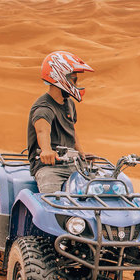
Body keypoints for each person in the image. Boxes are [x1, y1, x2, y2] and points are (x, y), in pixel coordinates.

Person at [27, 51, 94, 193]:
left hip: (73, 164)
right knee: (52, 199)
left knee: (102, 189)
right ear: (59, 77)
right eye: (74, 80)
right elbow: (42, 131)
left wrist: (81, 153)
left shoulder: (68, 103)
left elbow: (72, 131)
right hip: (49, 168)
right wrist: (46, 150)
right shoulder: (44, 108)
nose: (76, 84)